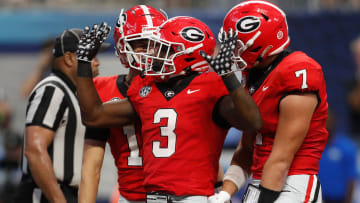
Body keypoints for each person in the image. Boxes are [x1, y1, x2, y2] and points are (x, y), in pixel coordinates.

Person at [75, 16, 261, 203]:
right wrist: (83, 63)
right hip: (153, 198)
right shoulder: (146, 89)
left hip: (195, 197)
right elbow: (94, 116)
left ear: (186, 54)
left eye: (162, 48)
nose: (154, 53)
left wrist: (229, 76)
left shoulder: (210, 86)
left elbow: (252, 121)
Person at [209, 1, 328, 202]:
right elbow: (246, 150)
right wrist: (224, 194)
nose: (231, 50)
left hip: (292, 182)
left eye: (237, 44)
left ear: (262, 44)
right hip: (260, 181)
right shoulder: (250, 74)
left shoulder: (298, 71)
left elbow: (282, 159)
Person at [78, 5, 167, 203]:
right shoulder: (103, 89)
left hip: (179, 195)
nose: (149, 51)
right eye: (141, 44)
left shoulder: (179, 84)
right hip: (131, 195)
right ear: (123, 46)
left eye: (155, 44)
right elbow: (91, 165)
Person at [13, 28, 98, 203]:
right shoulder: (53, 89)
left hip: (61, 193)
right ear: (69, 58)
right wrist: (59, 200)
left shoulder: (72, 92)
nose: (97, 62)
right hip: (45, 195)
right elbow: (35, 151)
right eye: (90, 56)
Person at [319, 109, 357, 203]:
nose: (326, 124)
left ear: (334, 121)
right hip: (316, 197)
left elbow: (351, 178)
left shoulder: (346, 147)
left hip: (339, 199)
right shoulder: (312, 147)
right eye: (323, 120)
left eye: (328, 120)